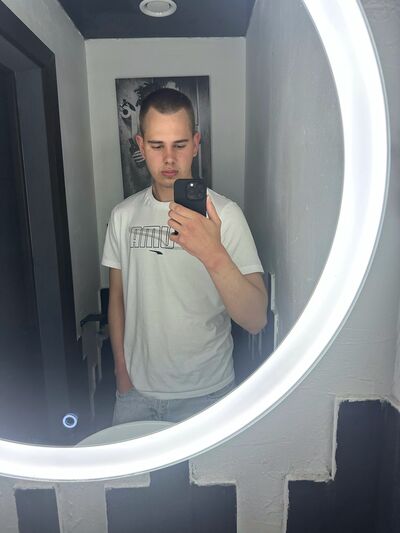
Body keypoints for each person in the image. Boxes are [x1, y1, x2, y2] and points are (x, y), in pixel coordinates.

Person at [102, 88, 267, 424]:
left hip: (207, 394)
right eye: (156, 145)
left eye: (179, 145)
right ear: (140, 145)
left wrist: (213, 253)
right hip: (135, 393)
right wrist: (121, 370)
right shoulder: (122, 216)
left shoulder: (225, 215)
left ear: (195, 144)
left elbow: (255, 319)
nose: (169, 159)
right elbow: (117, 298)